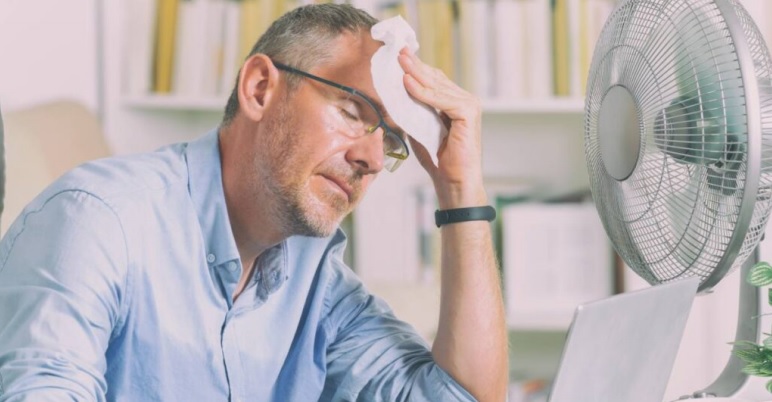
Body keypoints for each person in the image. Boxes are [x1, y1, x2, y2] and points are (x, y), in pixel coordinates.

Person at [0, 4, 507, 401]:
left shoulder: (317, 282)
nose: (373, 159)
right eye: (354, 112)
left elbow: (459, 397)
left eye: (393, 141)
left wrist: (460, 189)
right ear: (260, 88)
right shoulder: (96, 221)